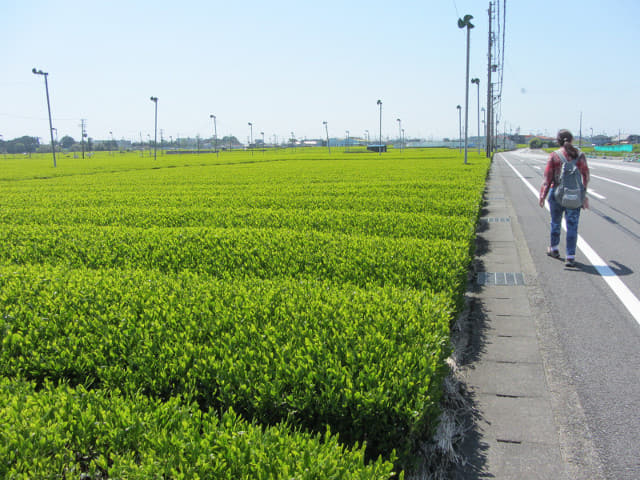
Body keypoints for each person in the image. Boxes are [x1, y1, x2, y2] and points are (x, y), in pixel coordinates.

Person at [538, 129, 590, 267]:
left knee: (555, 222)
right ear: (571, 140)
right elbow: (586, 176)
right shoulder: (580, 155)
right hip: (575, 194)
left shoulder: (554, 156)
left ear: (558, 141)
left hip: (556, 193)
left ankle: (554, 249)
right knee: (572, 225)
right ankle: (570, 256)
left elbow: (547, 179)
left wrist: (543, 196)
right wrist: (583, 195)